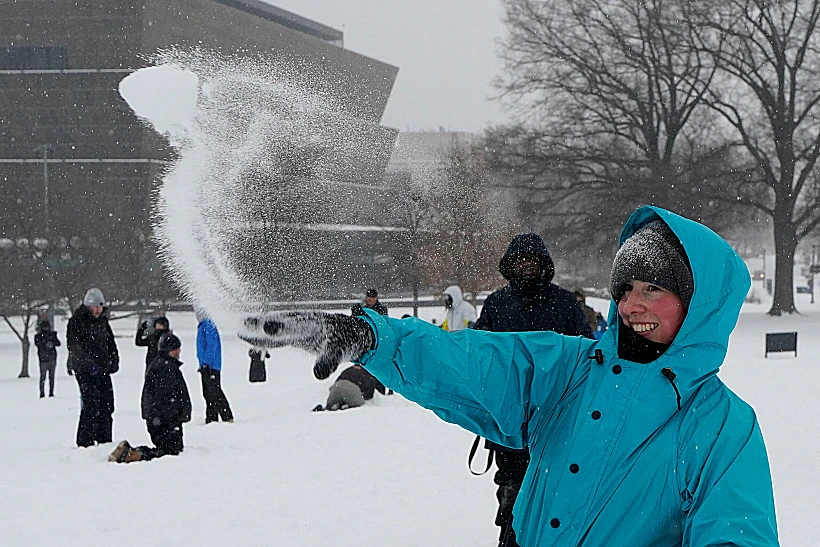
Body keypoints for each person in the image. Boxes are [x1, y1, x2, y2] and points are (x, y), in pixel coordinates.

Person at [239, 206, 779, 547]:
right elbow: (469, 360)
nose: (632, 303)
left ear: (697, 305)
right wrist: (372, 338)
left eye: (654, 289)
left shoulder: (723, 428)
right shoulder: (568, 368)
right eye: (625, 286)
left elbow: (738, 535)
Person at [473, 233, 594, 547]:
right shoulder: (496, 304)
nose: (527, 264)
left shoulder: (566, 304)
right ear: (510, 264)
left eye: (533, 258)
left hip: (557, 418)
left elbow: (587, 357)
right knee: (512, 492)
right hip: (508, 422)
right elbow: (480, 357)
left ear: (544, 263)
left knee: (556, 490)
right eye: (520, 259)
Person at [109, 332, 192, 463]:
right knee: (168, 452)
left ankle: (132, 452)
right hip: (164, 420)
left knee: (168, 450)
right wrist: (174, 417)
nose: (179, 351)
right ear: (169, 350)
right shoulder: (165, 368)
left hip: (161, 418)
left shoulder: (163, 365)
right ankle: (133, 454)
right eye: (176, 349)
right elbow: (166, 397)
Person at [67, 288, 119, 447]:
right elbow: (74, 346)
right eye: (94, 307)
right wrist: (88, 364)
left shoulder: (103, 321)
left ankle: (104, 439)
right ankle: (85, 441)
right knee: (91, 404)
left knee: (107, 405)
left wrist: (114, 359)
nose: (97, 310)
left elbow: (110, 342)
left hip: (103, 369)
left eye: (99, 307)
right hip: (85, 370)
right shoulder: (77, 321)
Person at [196, 310, 234, 423]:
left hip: (211, 366)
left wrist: (207, 363)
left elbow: (211, 345)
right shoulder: (203, 325)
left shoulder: (208, 324)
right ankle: (211, 417)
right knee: (208, 392)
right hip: (206, 366)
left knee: (214, 392)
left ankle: (226, 416)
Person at [312, 364, 390, 411]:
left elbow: (337, 381)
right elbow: (372, 391)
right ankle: (345, 407)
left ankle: (323, 409)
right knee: (359, 407)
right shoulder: (370, 372)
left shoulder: (348, 370)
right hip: (352, 389)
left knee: (329, 408)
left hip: (337, 386)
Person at [34, 319, 61, 398]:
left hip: (48, 359)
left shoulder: (49, 335)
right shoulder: (39, 336)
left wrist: (52, 340)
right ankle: (45, 393)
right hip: (45, 359)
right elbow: (38, 344)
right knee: (46, 377)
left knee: (47, 377)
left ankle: (49, 392)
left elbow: (58, 343)